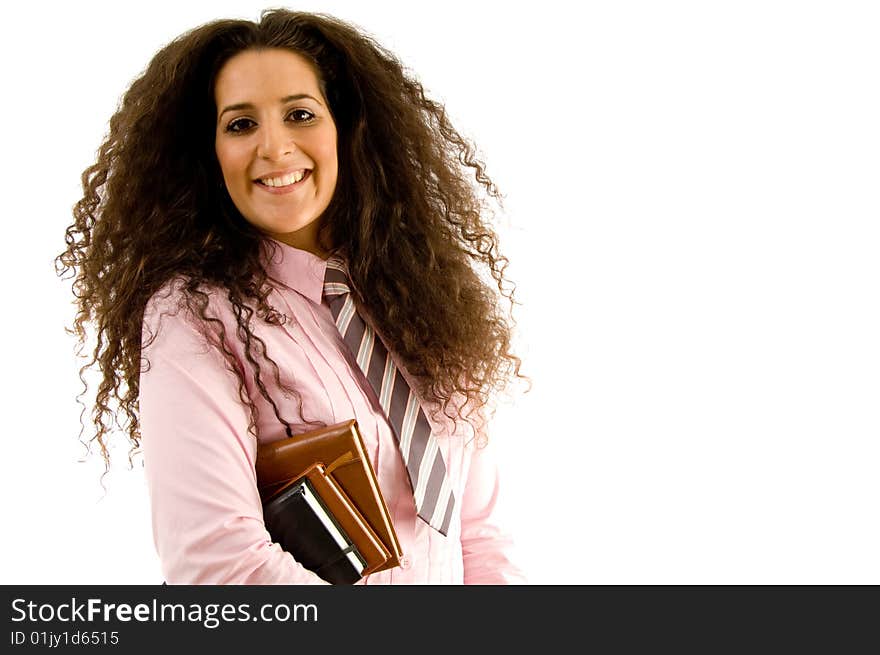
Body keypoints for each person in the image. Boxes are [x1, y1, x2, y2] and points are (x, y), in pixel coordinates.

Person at [57, 9, 526, 584]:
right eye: (240, 125)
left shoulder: (422, 297)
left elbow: (477, 533)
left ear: (347, 130)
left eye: (300, 114)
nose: (275, 148)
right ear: (208, 154)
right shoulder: (193, 317)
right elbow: (217, 565)